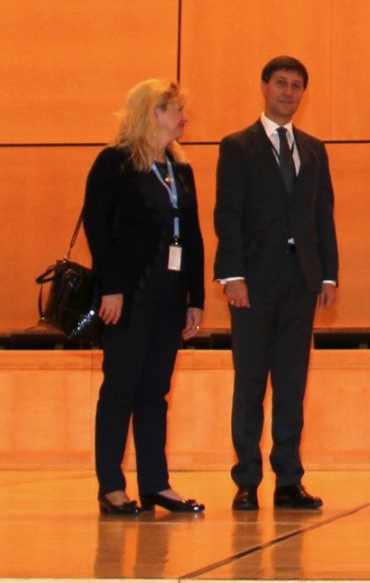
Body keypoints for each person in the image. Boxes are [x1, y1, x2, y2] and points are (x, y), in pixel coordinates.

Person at [213, 55, 338, 512]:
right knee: (250, 382)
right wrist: (232, 275)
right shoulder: (237, 146)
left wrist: (328, 274)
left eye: (296, 85)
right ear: (264, 87)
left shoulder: (314, 149)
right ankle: (247, 479)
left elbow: (323, 215)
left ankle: (289, 480)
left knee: (291, 382)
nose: (288, 92)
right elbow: (227, 214)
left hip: (300, 281)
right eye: (281, 83)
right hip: (252, 282)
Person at [83, 79, 205, 517]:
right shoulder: (114, 163)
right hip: (129, 296)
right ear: (153, 112)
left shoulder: (180, 169)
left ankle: (156, 484)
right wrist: (111, 287)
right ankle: (111, 486)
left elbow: (192, 236)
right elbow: (97, 227)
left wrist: (195, 298)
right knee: (121, 388)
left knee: (155, 390)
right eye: (177, 110)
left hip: (169, 298)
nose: (184, 118)